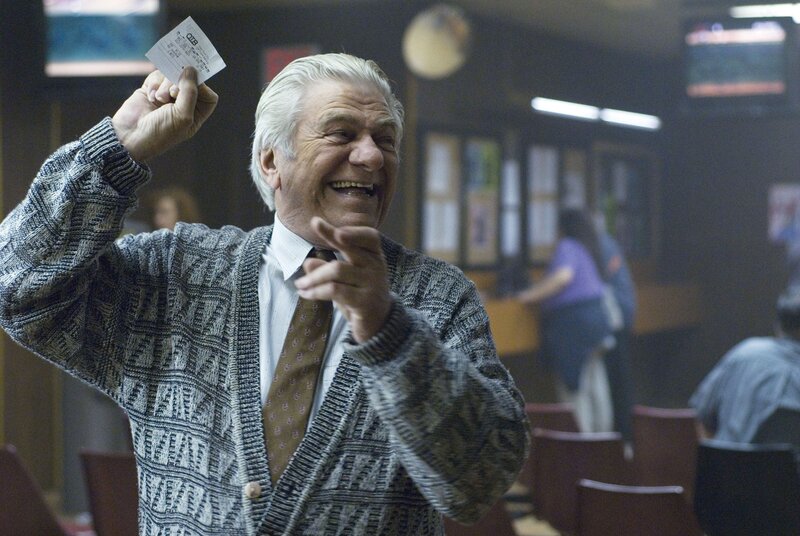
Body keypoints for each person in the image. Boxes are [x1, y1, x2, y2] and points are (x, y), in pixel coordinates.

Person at [0, 54, 529, 535]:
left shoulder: (439, 299)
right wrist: (115, 149)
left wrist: (391, 336)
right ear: (272, 162)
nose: (371, 155)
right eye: (341, 133)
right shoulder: (176, 272)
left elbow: (478, 482)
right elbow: (15, 286)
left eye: (385, 139)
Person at [517, 209, 613, 433]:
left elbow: (563, 277)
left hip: (574, 326)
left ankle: (580, 443)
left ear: (562, 228)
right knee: (596, 384)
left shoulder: (568, 246)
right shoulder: (587, 249)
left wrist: (530, 296)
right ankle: (604, 440)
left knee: (574, 391)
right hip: (597, 322)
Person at [690, 287, 800, 451]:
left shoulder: (744, 352)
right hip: (784, 468)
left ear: (779, 326)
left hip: (722, 466)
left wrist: (717, 459)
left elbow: (700, 417)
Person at [597, 224, 637, 442]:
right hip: (620, 318)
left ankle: (625, 439)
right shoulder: (606, 243)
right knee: (619, 382)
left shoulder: (601, 246)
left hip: (615, 320)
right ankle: (625, 439)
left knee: (617, 383)